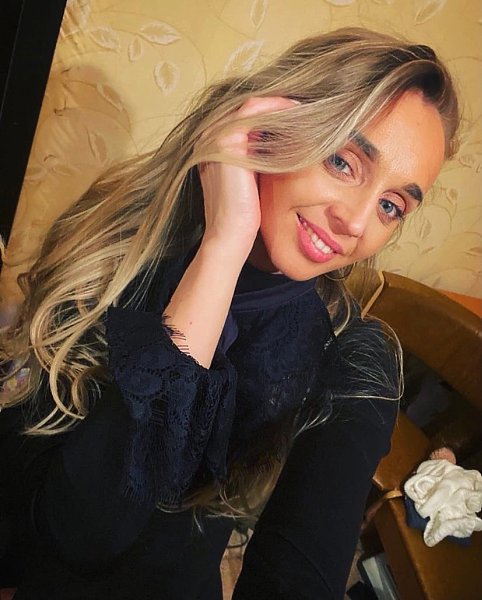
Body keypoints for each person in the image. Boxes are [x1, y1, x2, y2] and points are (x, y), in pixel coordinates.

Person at [0, 27, 459, 600]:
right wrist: (222, 241)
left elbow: (88, 535)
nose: (358, 223)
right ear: (273, 127)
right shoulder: (128, 229)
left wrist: (226, 243)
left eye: (391, 205)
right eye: (343, 161)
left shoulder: (345, 353)